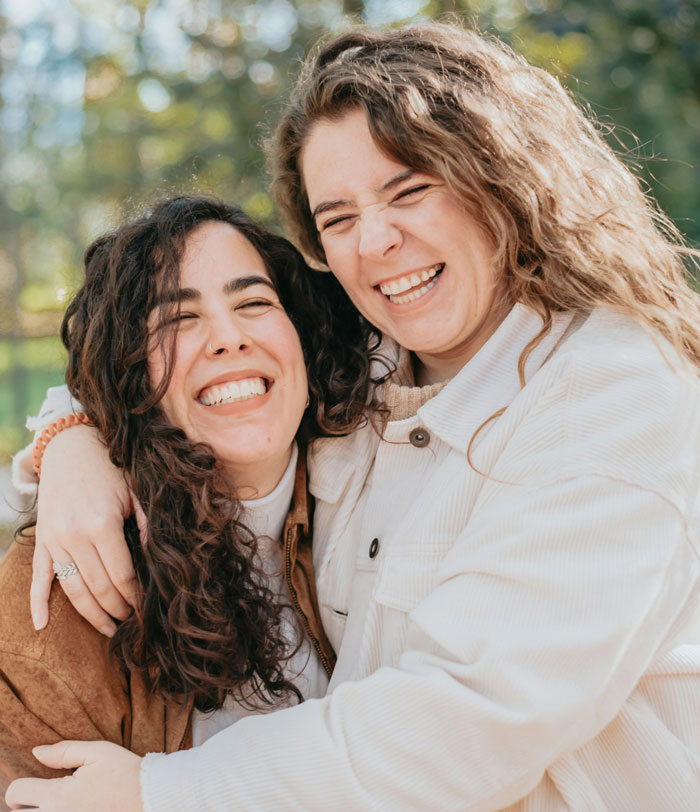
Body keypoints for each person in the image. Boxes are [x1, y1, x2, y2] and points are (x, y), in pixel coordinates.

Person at [8, 21, 700, 812]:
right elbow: (185, 361)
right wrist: (73, 437)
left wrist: (166, 793)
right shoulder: (367, 363)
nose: (376, 243)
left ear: (504, 180)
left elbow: (472, 723)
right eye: (337, 218)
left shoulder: (612, 393)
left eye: (410, 190)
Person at [0, 194, 373, 805]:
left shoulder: (382, 480)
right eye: (177, 320)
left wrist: (64, 434)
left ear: (304, 337)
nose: (228, 338)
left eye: (254, 302)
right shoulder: (58, 596)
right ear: (129, 375)